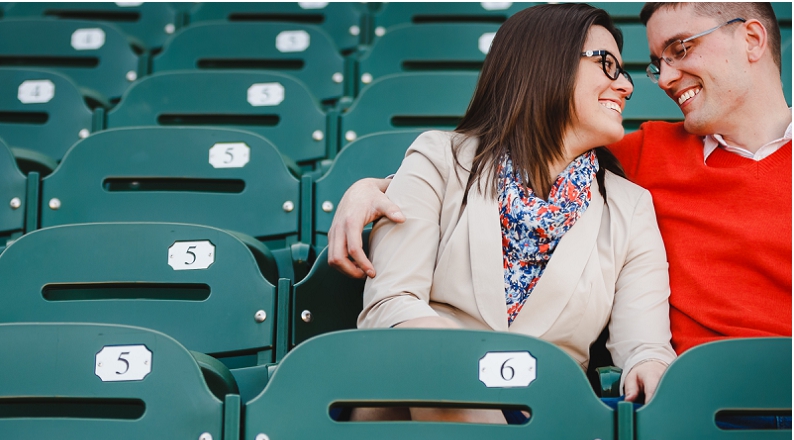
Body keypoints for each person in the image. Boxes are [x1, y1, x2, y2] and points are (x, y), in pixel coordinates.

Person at [331, 2, 792, 358]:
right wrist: (378, 187)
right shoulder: (645, 155)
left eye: (680, 49)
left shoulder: (626, 191)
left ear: (752, 39)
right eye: (657, 62)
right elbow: (534, 154)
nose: (663, 79)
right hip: (704, 409)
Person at [354, 3, 674, 423]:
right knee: (424, 359)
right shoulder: (437, 158)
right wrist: (469, 372)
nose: (626, 88)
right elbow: (391, 304)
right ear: (545, 62)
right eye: (607, 65)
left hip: (542, 422)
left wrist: (648, 366)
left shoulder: (630, 206)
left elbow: (644, 344)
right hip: (422, 402)